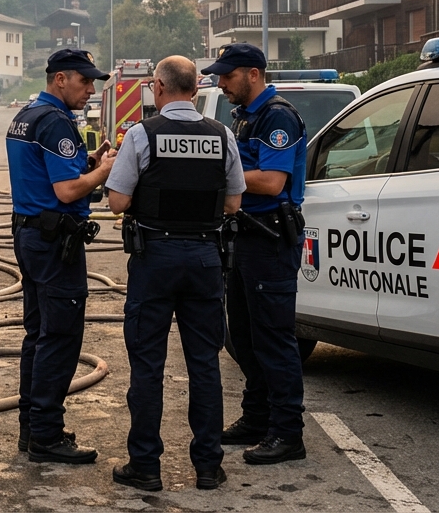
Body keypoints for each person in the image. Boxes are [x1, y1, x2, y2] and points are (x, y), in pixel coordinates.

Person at [105, 56, 244, 492]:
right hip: (205, 258)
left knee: (147, 366)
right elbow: (234, 204)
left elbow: (117, 203)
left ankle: (145, 466)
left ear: (158, 89)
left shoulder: (142, 135)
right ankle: (208, 467)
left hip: (155, 259)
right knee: (205, 364)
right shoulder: (222, 135)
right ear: (197, 92)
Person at [201, 43, 309, 465]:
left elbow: (271, 182)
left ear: (253, 73)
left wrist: (216, 176)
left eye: (227, 75)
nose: (220, 82)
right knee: (242, 335)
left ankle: (287, 433)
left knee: (274, 339)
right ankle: (257, 416)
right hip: (245, 237)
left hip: (270, 239)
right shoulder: (245, 115)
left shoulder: (276, 115)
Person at [6, 48, 114, 463]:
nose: (90, 90)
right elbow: (67, 191)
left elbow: (46, 171)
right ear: (61, 79)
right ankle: (48, 435)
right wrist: (103, 172)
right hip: (54, 244)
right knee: (61, 338)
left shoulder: (28, 115)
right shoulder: (55, 122)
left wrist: (86, 161)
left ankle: (31, 428)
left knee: (37, 335)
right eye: (85, 82)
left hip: (31, 236)